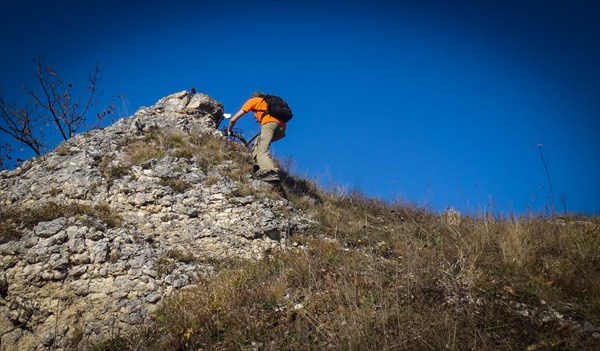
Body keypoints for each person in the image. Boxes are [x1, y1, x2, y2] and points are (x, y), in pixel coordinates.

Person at [228, 92, 286, 182]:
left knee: (262, 152)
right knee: (258, 143)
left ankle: (270, 172)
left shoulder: (254, 101)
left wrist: (229, 130)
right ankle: (258, 166)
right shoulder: (267, 103)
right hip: (282, 128)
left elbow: (233, 119)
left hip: (269, 125)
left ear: (254, 97)